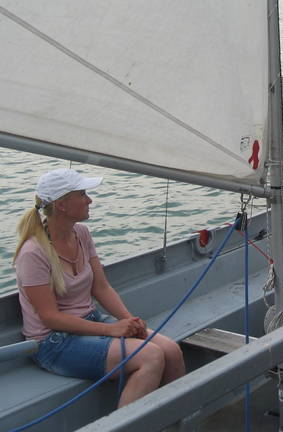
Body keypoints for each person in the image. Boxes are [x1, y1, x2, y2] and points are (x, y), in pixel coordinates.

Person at [13, 168, 186, 407]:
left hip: (90, 321)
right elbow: (50, 317)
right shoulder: (33, 253)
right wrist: (110, 329)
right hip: (53, 342)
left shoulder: (81, 233)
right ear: (62, 205)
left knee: (171, 351)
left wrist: (129, 320)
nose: (89, 200)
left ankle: (175, 420)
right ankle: (126, 422)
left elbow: (101, 288)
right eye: (82, 194)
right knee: (151, 356)